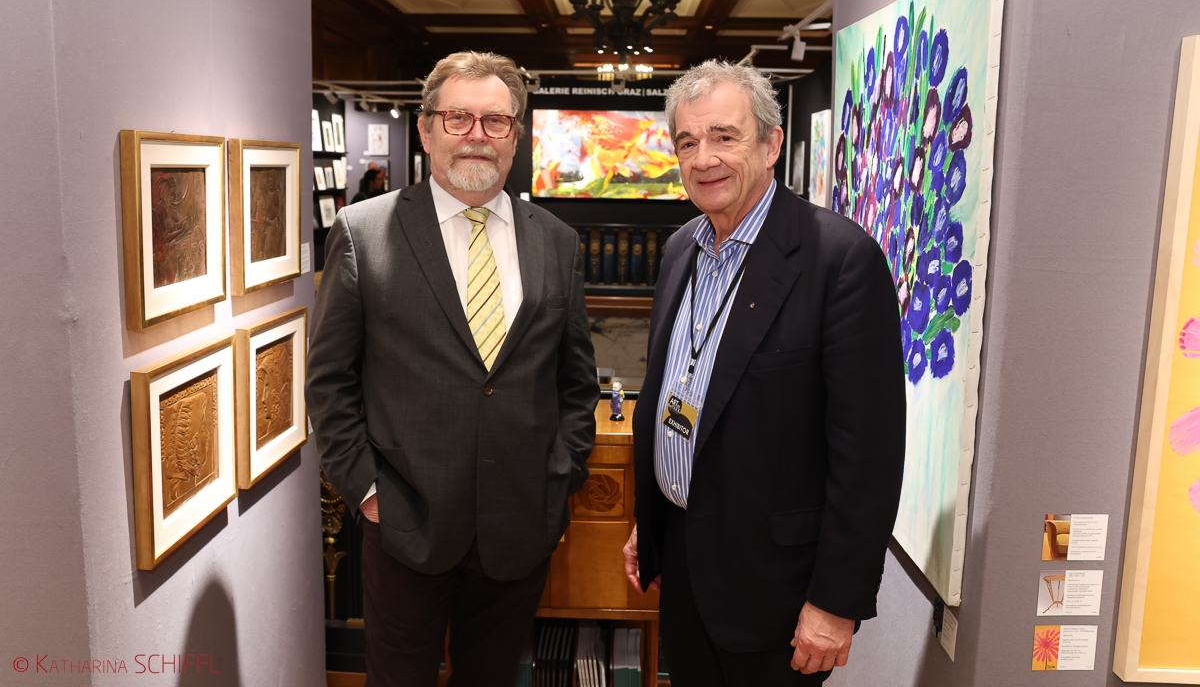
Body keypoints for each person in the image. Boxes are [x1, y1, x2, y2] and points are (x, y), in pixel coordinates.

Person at [306, 51, 598, 687]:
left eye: (496, 121)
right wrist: (368, 491)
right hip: (404, 524)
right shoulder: (363, 232)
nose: (476, 136)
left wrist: (561, 477)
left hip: (520, 525)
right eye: (458, 118)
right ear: (426, 128)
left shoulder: (557, 240)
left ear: (516, 135)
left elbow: (576, 384)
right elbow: (329, 382)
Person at [621, 60, 906, 686]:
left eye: (725, 137)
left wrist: (836, 602)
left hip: (777, 592)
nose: (704, 159)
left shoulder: (840, 260)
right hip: (685, 565)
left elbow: (869, 459)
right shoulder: (682, 248)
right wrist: (653, 519)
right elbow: (676, 396)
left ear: (772, 144)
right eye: (688, 142)